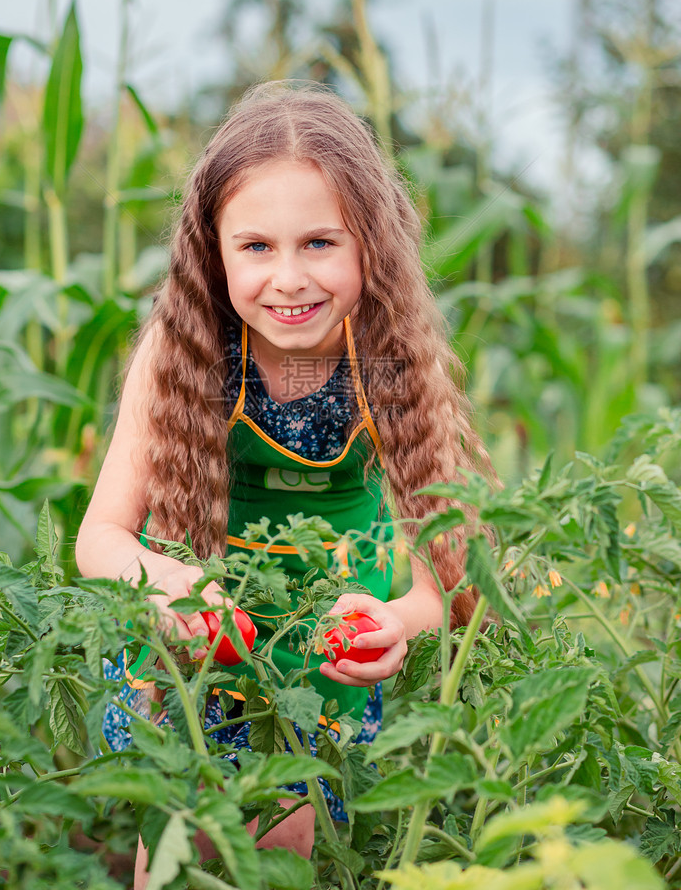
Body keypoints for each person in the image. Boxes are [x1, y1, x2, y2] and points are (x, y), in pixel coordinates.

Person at [75, 82, 493, 887]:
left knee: (286, 838)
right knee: (177, 844)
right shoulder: (181, 355)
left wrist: (393, 623)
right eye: (257, 247)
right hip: (198, 642)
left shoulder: (391, 365)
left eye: (320, 244)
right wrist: (168, 582)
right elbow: (101, 537)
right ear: (213, 251)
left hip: (323, 652)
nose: (290, 278)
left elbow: (441, 585)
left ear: (371, 243)